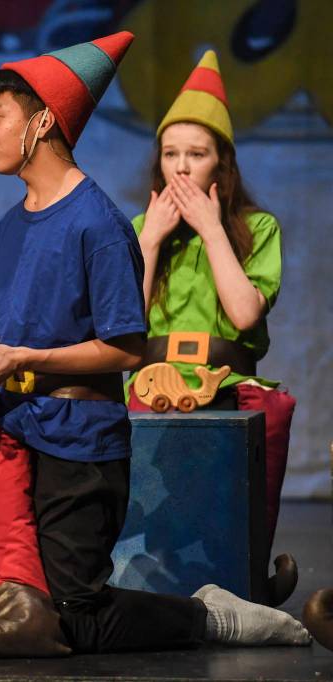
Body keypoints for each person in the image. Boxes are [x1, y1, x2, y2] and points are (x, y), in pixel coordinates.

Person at [0, 34, 311, 655]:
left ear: (43, 120)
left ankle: (209, 617)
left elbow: (126, 348)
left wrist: (26, 360)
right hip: (21, 429)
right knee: (29, 606)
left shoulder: (97, 224)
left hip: (81, 441)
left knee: (79, 615)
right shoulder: (12, 224)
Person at [126, 51, 296, 590]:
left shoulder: (256, 227)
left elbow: (245, 314)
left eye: (196, 154)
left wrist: (212, 229)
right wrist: (149, 242)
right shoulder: (140, 228)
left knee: (222, 521)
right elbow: (125, 327)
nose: (180, 166)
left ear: (221, 163)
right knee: (154, 527)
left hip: (229, 387)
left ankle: (238, 589)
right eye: (170, 153)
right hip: (154, 387)